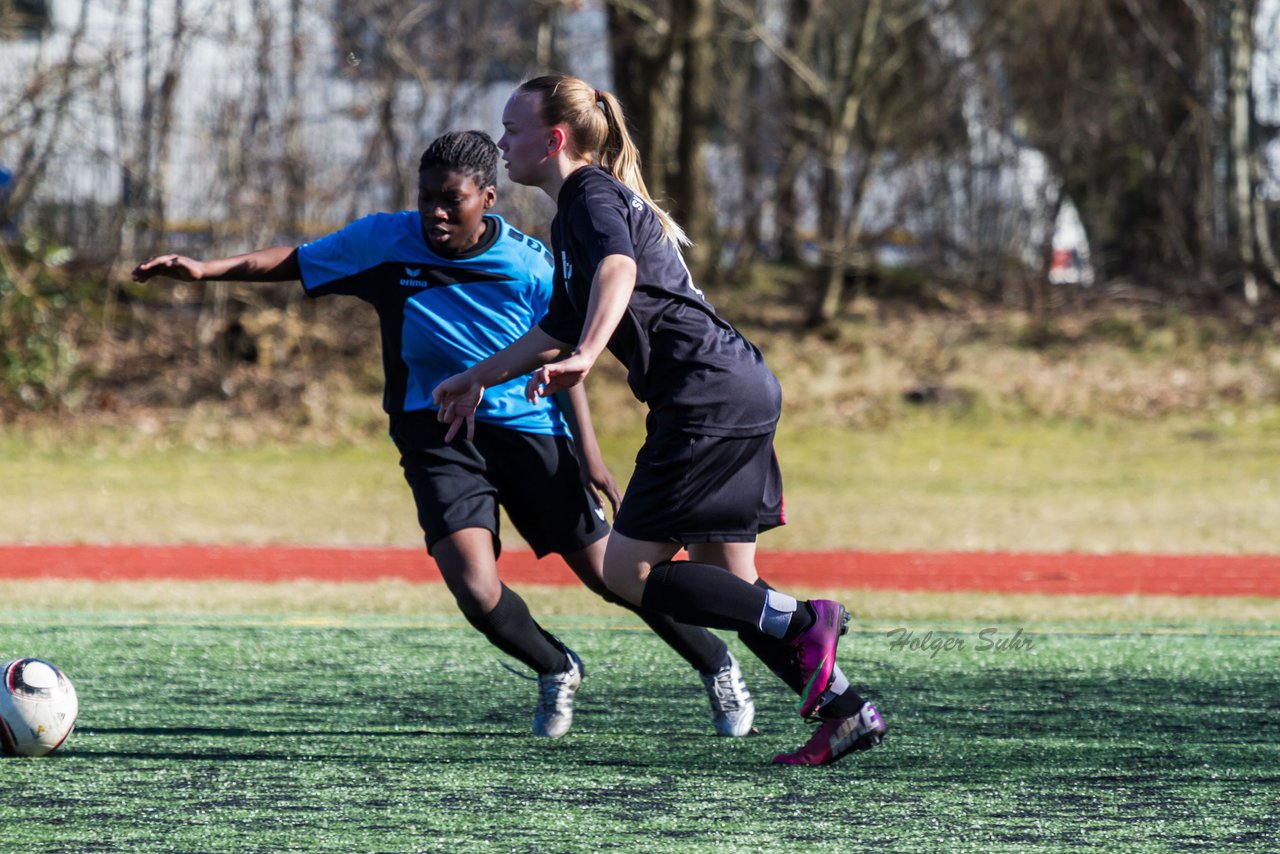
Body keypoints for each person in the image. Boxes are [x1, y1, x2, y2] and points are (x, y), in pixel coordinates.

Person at [132, 130, 756, 741]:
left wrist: (589, 455)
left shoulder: (532, 265)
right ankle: (556, 667)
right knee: (475, 588)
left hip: (528, 431)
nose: (434, 211)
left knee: (609, 574)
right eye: (426, 196)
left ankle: (716, 664)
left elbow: (564, 361)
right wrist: (204, 270)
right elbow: (297, 261)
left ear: (487, 196)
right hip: (434, 434)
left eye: (449, 199)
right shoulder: (385, 240)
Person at [432, 78, 887, 765]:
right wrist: (475, 377)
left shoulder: (588, 196)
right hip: (735, 387)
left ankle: (804, 617)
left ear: (555, 139)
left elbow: (617, 270)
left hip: (705, 396)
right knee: (728, 586)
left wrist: (589, 353)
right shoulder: (580, 211)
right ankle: (847, 712)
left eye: (512, 129)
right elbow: (557, 324)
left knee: (626, 571)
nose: (501, 144)